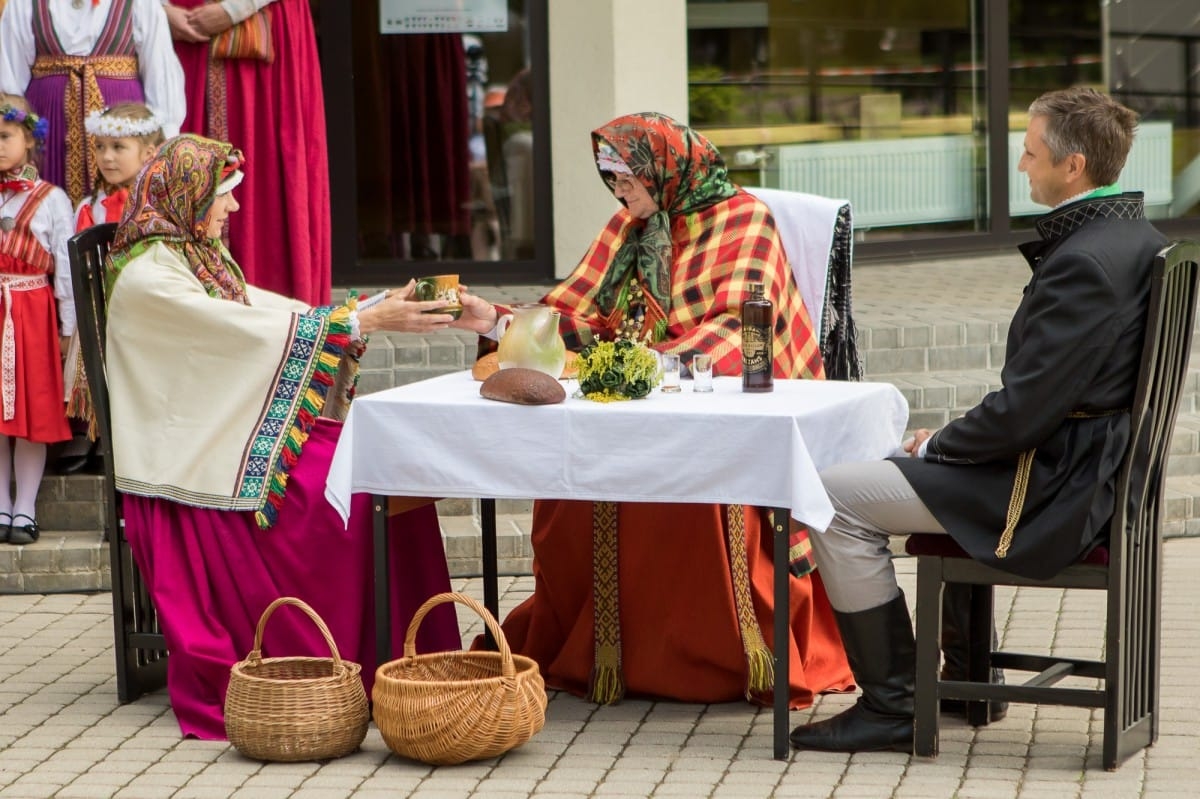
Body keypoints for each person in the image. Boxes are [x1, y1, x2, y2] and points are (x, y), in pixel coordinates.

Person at [787, 87, 1169, 753]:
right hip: (1078, 469)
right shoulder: (1132, 235)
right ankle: (962, 683)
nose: (1021, 166)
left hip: (1053, 489)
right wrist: (947, 445)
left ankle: (893, 703)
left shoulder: (1086, 263)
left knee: (831, 495)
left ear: (1072, 165)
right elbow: (1036, 401)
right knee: (908, 464)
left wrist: (938, 443)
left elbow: (1021, 413)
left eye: (1030, 152)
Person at [455, 112, 853, 709]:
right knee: (563, 492)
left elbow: (744, 324)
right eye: (611, 180)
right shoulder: (628, 226)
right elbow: (577, 318)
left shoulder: (745, 220)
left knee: (686, 499)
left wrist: (655, 365)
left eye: (627, 179)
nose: (619, 192)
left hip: (720, 413)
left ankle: (714, 660)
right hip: (626, 405)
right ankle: (598, 653)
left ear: (663, 169)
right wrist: (495, 320)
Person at [102, 134, 462, 739]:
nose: (234, 209)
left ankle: (409, 660)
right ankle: (365, 660)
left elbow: (263, 314)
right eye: (224, 196)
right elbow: (242, 331)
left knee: (383, 468)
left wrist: (365, 309)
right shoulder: (149, 277)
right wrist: (361, 320)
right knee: (352, 492)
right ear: (185, 197)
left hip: (223, 442)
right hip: (194, 468)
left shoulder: (192, 256)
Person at [163, 0, 330, 305]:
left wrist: (236, 8)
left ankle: (278, 323)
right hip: (183, 34)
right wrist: (158, 10)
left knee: (267, 182)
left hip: (262, 35)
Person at [58, 102, 163, 473]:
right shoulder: (90, 206)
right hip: (99, 308)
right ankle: (97, 434)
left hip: (142, 311)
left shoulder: (156, 206)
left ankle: (132, 441)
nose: (107, 156)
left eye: (118, 148)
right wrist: (70, 325)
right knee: (99, 371)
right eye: (100, 147)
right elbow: (71, 271)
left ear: (149, 153)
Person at [0, 0, 184, 206]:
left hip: (120, 129)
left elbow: (160, 77)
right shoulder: (23, 3)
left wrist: (163, 151)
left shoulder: (140, 4)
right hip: (50, 129)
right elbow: (10, 81)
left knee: (118, 213)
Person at [0, 94, 74, 546]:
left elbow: (65, 268)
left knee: (30, 412)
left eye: (5, 136)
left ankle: (24, 508)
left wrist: (68, 328)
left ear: (29, 140)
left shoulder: (52, 200)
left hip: (30, 313)